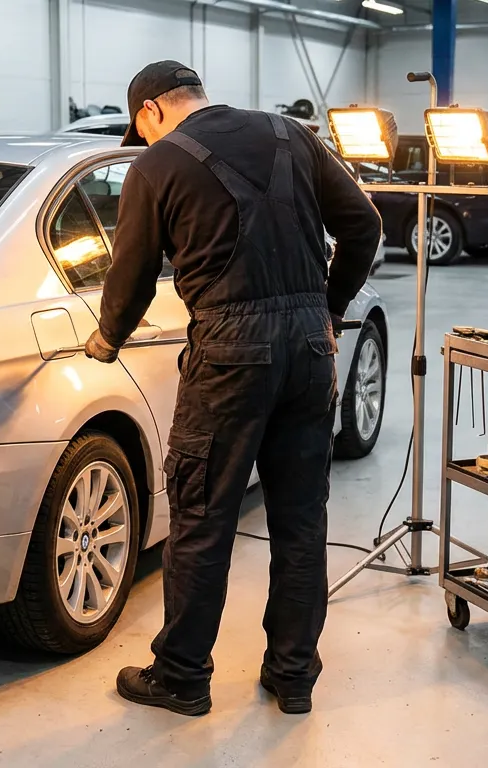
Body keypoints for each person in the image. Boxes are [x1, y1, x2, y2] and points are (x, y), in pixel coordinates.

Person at [84, 61, 382, 716]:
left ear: (153, 110)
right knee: (302, 521)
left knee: (201, 517)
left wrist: (106, 340)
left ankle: (182, 676)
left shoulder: (155, 166)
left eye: (143, 129)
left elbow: (131, 276)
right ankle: (293, 675)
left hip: (229, 354)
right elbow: (363, 224)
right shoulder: (292, 136)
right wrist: (327, 314)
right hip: (309, 348)